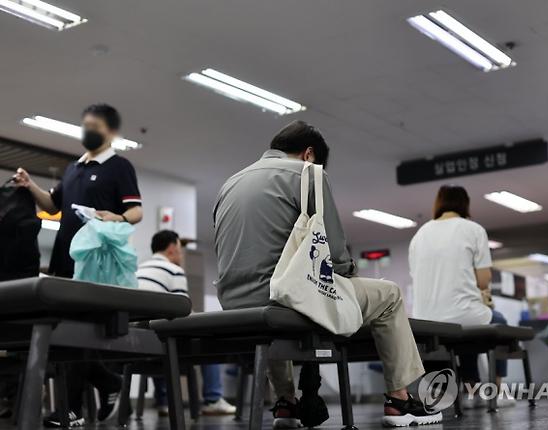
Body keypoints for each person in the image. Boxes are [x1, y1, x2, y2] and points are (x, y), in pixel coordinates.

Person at [213, 121, 439, 428]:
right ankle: (400, 401)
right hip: (285, 298)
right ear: (309, 154)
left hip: (233, 302)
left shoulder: (230, 183)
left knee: (271, 298)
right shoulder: (308, 174)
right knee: (389, 295)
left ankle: (286, 402)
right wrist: (349, 277)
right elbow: (333, 249)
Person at [13, 103, 143, 427]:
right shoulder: (73, 168)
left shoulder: (118, 166)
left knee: (80, 333)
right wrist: (30, 186)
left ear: (110, 131)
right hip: (64, 258)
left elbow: (137, 211)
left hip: (95, 262)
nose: (88, 130)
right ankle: (107, 383)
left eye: (95, 125)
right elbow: (52, 204)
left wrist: (118, 216)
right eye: (85, 125)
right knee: (67, 332)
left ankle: (71, 409)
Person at [408, 184, 513, 408]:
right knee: (497, 323)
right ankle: (496, 391)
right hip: (463, 315)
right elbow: (483, 280)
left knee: (466, 332)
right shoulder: (473, 230)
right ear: (465, 204)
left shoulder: (419, 235)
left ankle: (470, 389)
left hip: (425, 321)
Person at [136, 230, 236, 417]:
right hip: (162, 345)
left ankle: (164, 402)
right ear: (172, 248)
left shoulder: (139, 269)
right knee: (208, 342)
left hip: (139, 344)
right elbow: (183, 311)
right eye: (180, 249)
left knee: (156, 331)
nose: (181, 255)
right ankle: (213, 400)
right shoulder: (173, 270)